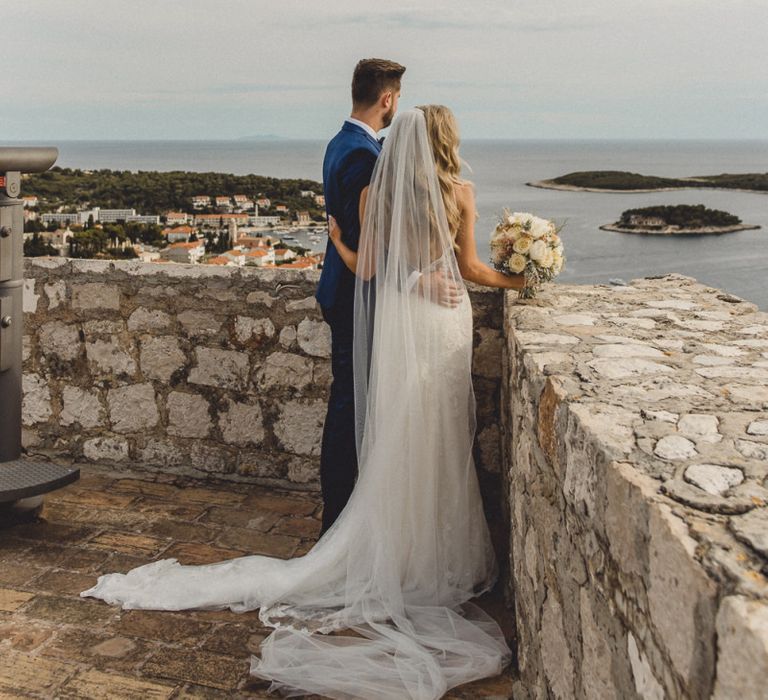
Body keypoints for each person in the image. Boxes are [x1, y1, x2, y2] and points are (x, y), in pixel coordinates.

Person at [80, 106, 526, 700]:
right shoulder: (461, 193)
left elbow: (372, 268)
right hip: (444, 321)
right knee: (439, 428)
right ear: (449, 141)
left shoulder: (377, 196)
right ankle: (433, 551)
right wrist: (526, 279)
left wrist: (339, 242)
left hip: (400, 321)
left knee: (399, 427)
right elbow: (471, 269)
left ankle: (396, 544)